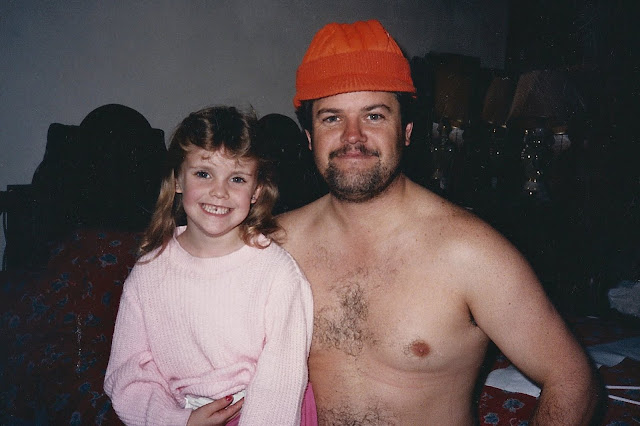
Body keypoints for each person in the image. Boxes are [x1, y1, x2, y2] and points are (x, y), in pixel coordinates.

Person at [276, 20, 599, 425]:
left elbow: (572, 379)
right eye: (331, 119)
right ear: (309, 137)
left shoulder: (470, 252)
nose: (352, 136)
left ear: (406, 131)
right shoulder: (275, 245)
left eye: (374, 116)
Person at [104, 106, 316, 425]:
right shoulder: (149, 270)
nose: (219, 192)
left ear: (256, 191)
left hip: (266, 412)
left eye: (237, 178)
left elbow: (281, 379)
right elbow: (129, 373)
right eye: (203, 174)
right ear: (178, 179)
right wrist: (177, 420)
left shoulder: (277, 272)